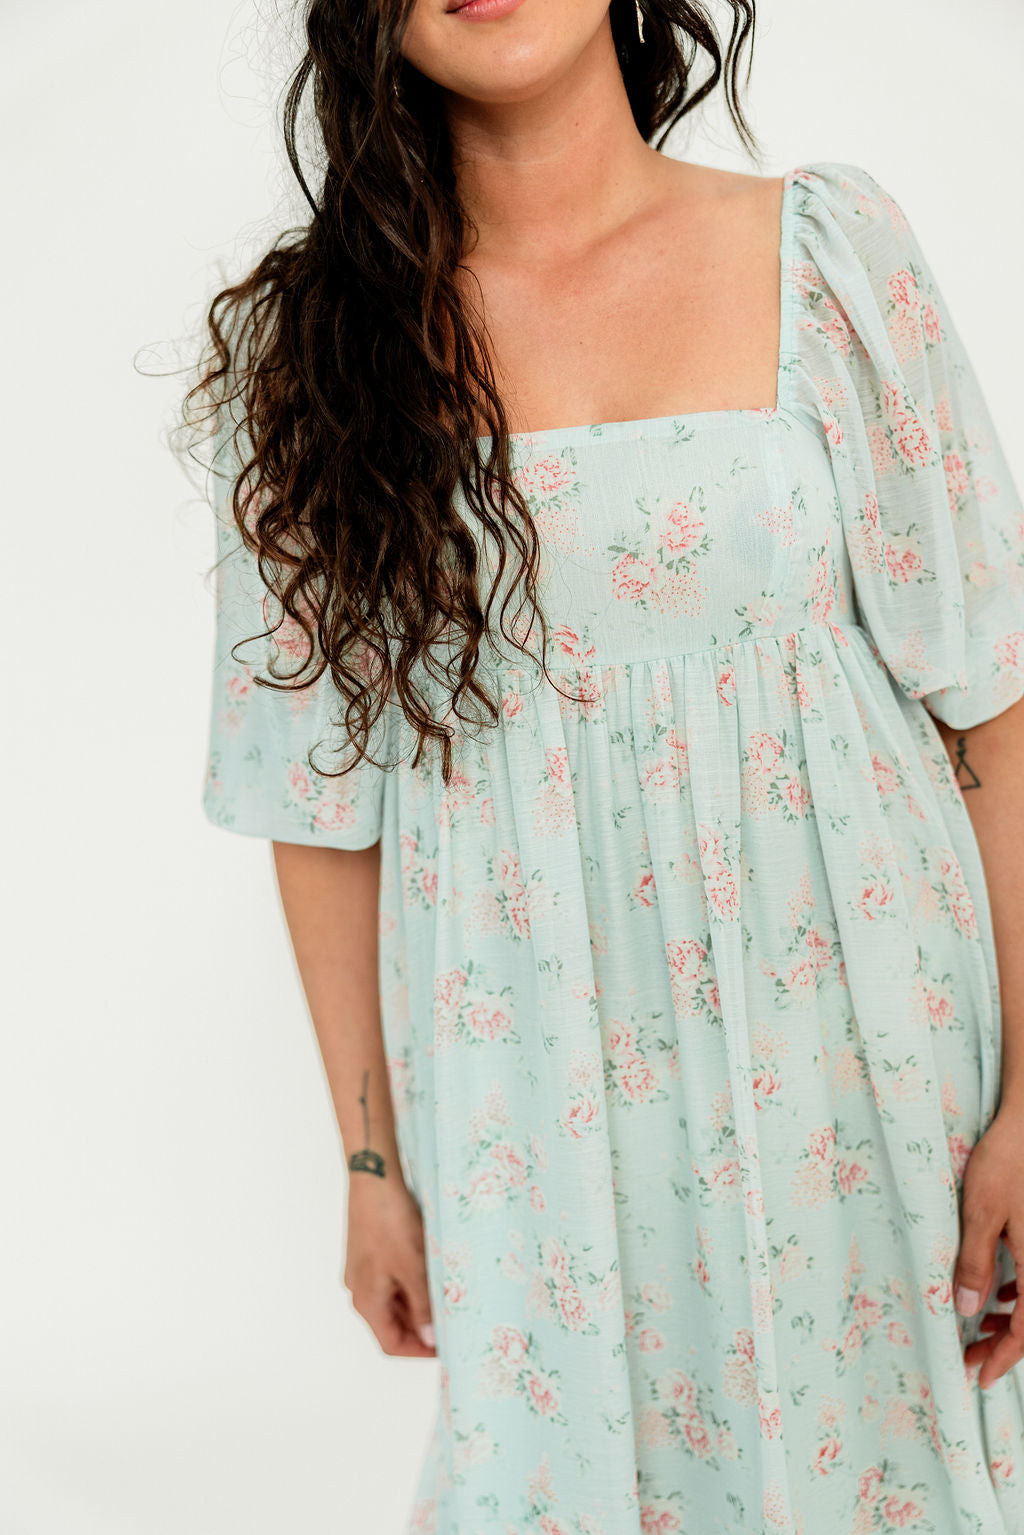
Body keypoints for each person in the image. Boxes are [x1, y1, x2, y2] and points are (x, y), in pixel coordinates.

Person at [185, 0, 1024, 1529]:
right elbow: (312, 796)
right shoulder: (319, 356)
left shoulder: (830, 255)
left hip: (870, 1062)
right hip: (531, 1095)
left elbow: (991, 697)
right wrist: (369, 1163)